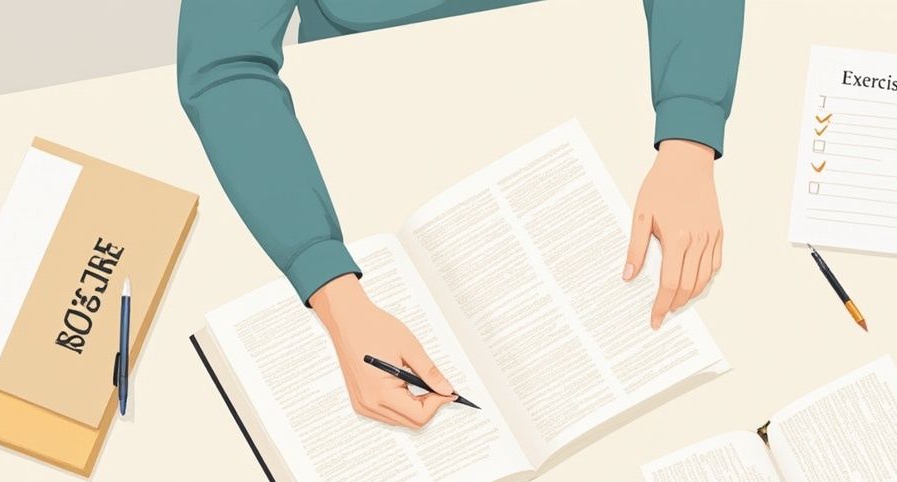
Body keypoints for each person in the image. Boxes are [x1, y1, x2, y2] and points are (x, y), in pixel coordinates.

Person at [177, 0, 744, 429]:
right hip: (365, 135)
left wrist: (690, 136)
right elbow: (224, 64)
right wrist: (329, 285)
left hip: (590, 96)